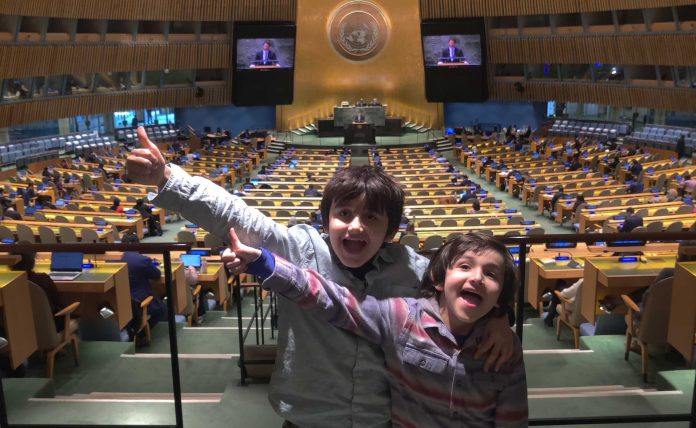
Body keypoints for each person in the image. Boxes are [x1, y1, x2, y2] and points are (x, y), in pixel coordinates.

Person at [126, 127, 514, 427]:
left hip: (382, 419)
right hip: (306, 419)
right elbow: (235, 213)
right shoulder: (299, 250)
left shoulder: (411, 267)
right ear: (327, 219)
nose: (355, 227)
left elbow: (462, 292)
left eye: (372, 218)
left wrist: (499, 318)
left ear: (391, 231)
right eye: (344, 214)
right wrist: (166, 177)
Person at [224, 230, 528, 427]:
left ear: (501, 293)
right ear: (438, 279)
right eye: (464, 266)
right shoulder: (401, 317)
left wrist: (501, 318)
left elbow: (512, 420)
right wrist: (264, 263)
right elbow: (333, 299)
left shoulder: (505, 347)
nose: (476, 278)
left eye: (491, 274)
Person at [119, 233, 167, 329]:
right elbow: (157, 275)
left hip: (120, 302)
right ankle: (143, 331)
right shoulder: (142, 260)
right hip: (139, 302)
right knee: (162, 308)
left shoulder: (113, 260)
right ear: (137, 244)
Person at [12, 252, 64, 331]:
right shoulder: (43, 279)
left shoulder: (9, 283)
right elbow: (58, 303)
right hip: (50, 327)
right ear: (32, 262)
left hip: (18, 328)